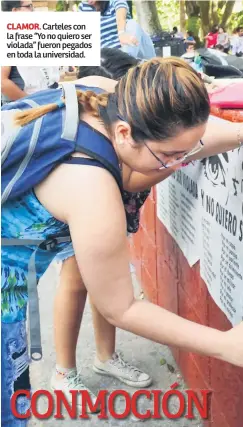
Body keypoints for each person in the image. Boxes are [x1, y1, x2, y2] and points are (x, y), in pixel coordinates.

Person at [1, 57, 243, 425]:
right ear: (123, 135)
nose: (179, 164)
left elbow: (178, 142)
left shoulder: (110, 95)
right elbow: (122, 308)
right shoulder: (90, 190)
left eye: (186, 152)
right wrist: (226, 345)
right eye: (168, 158)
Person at [44, 49, 154, 402]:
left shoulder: (126, 121)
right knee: (75, 281)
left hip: (114, 209)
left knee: (107, 280)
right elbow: (132, 178)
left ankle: (106, 357)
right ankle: (64, 370)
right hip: (88, 208)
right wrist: (178, 157)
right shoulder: (88, 135)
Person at [1, 1, 62, 106]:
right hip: (22, 108)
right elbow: (3, 83)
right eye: (29, 6)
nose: (33, 10)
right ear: (15, 11)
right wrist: (33, 103)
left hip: (46, 100)